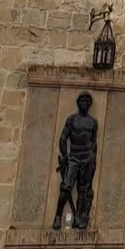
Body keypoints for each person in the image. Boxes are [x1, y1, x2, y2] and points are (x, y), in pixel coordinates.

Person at [52, 91, 99, 230]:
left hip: (87, 157)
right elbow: (63, 138)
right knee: (66, 186)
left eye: (87, 101)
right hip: (73, 156)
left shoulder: (93, 122)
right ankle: (58, 216)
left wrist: (93, 161)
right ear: (78, 103)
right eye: (82, 101)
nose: (84, 104)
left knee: (83, 189)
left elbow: (93, 142)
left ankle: (78, 217)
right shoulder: (72, 119)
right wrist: (65, 155)